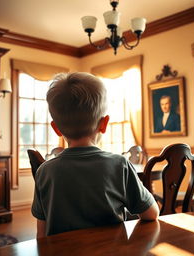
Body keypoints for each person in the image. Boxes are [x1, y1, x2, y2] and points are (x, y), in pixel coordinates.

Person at [31, 72, 159, 237]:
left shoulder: (44, 172)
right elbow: (151, 214)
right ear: (104, 124)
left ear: (56, 128)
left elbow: (41, 235)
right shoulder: (119, 165)